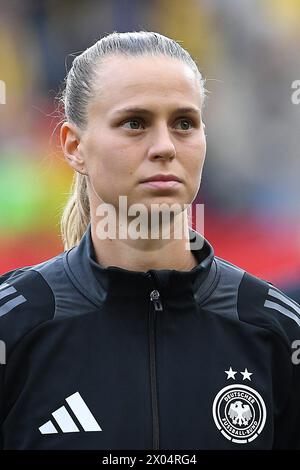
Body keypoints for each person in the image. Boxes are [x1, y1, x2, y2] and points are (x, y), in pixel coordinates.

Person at [0, 31, 300, 451]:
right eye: (134, 123)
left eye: (184, 123)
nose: (164, 147)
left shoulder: (278, 331)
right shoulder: (14, 326)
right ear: (74, 146)